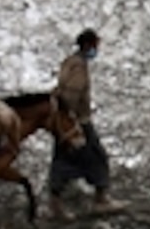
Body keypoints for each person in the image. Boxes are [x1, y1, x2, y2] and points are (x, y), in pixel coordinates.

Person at [47, 30, 113, 215]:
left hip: (65, 121)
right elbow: (71, 94)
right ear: (88, 45)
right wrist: (72, 119)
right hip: (77, 122)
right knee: (97, 155)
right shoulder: (78, 66)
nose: (96, 49)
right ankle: (101, 199)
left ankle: (55, 202)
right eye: (95, 45)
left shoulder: (70, 62)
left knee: (61, 158)